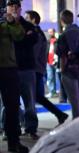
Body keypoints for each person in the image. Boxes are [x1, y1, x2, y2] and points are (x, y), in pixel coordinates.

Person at [25, 10, 69, 126]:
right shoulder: (38, 33)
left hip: (35, 69)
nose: (25, 20)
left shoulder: (36, 34)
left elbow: (34, 53)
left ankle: (30, 124)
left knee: (33, 97)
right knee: (37, 97)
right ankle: (59, 114)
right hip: (37, 69)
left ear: (34, 20)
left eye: (27, 18)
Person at [7, 0, 39, 139]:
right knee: (6, 102)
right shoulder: (3, 25)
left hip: (26, 68)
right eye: (11, 5)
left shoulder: (28, 25)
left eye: (17, 6)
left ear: (20, 9)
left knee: (29, 102)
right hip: (8, 68)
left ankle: (31, 128)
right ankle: (7, 128)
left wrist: (20, 39)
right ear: (6, 8)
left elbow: (31, 41)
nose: (14, 8)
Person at [0, 4, 29, 153]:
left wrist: (11, 22)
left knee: (12, 106)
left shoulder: (7, 21)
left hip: (8, 68)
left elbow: (19, 35)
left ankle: (14, 141)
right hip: (7, 68)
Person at [57, 9, 79, 118]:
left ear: (62, 20)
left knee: (74, 101)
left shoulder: (64, 35)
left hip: (68, 70)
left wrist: (62, 69)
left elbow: (61, 54)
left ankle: (77, 122)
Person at [45, 28, 58, 97]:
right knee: (50, 77)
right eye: (49, 32)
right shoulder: (47, 41)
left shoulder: (57, 41)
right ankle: (52, 91)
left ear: (54, 32)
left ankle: (57, 92)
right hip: (48, 61)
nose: (50, 33)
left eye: (51, 32)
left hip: (56, 61)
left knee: (57, 77)